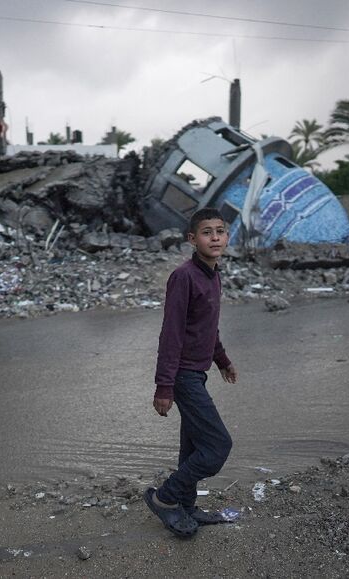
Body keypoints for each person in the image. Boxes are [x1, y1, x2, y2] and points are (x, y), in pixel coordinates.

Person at [144, 207, 238, 537]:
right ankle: (165, 497)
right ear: (191, 239)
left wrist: (222, 360)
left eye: (220, 231)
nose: (214, 237)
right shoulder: (184, 277)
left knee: (193, 448)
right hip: (182, 375)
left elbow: (206, 328)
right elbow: (172, 333)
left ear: (227, 236)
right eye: (206, 232)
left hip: (197, 373)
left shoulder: (213, 274)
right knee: (217, 446)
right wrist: (164, 387)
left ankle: (185, 506)